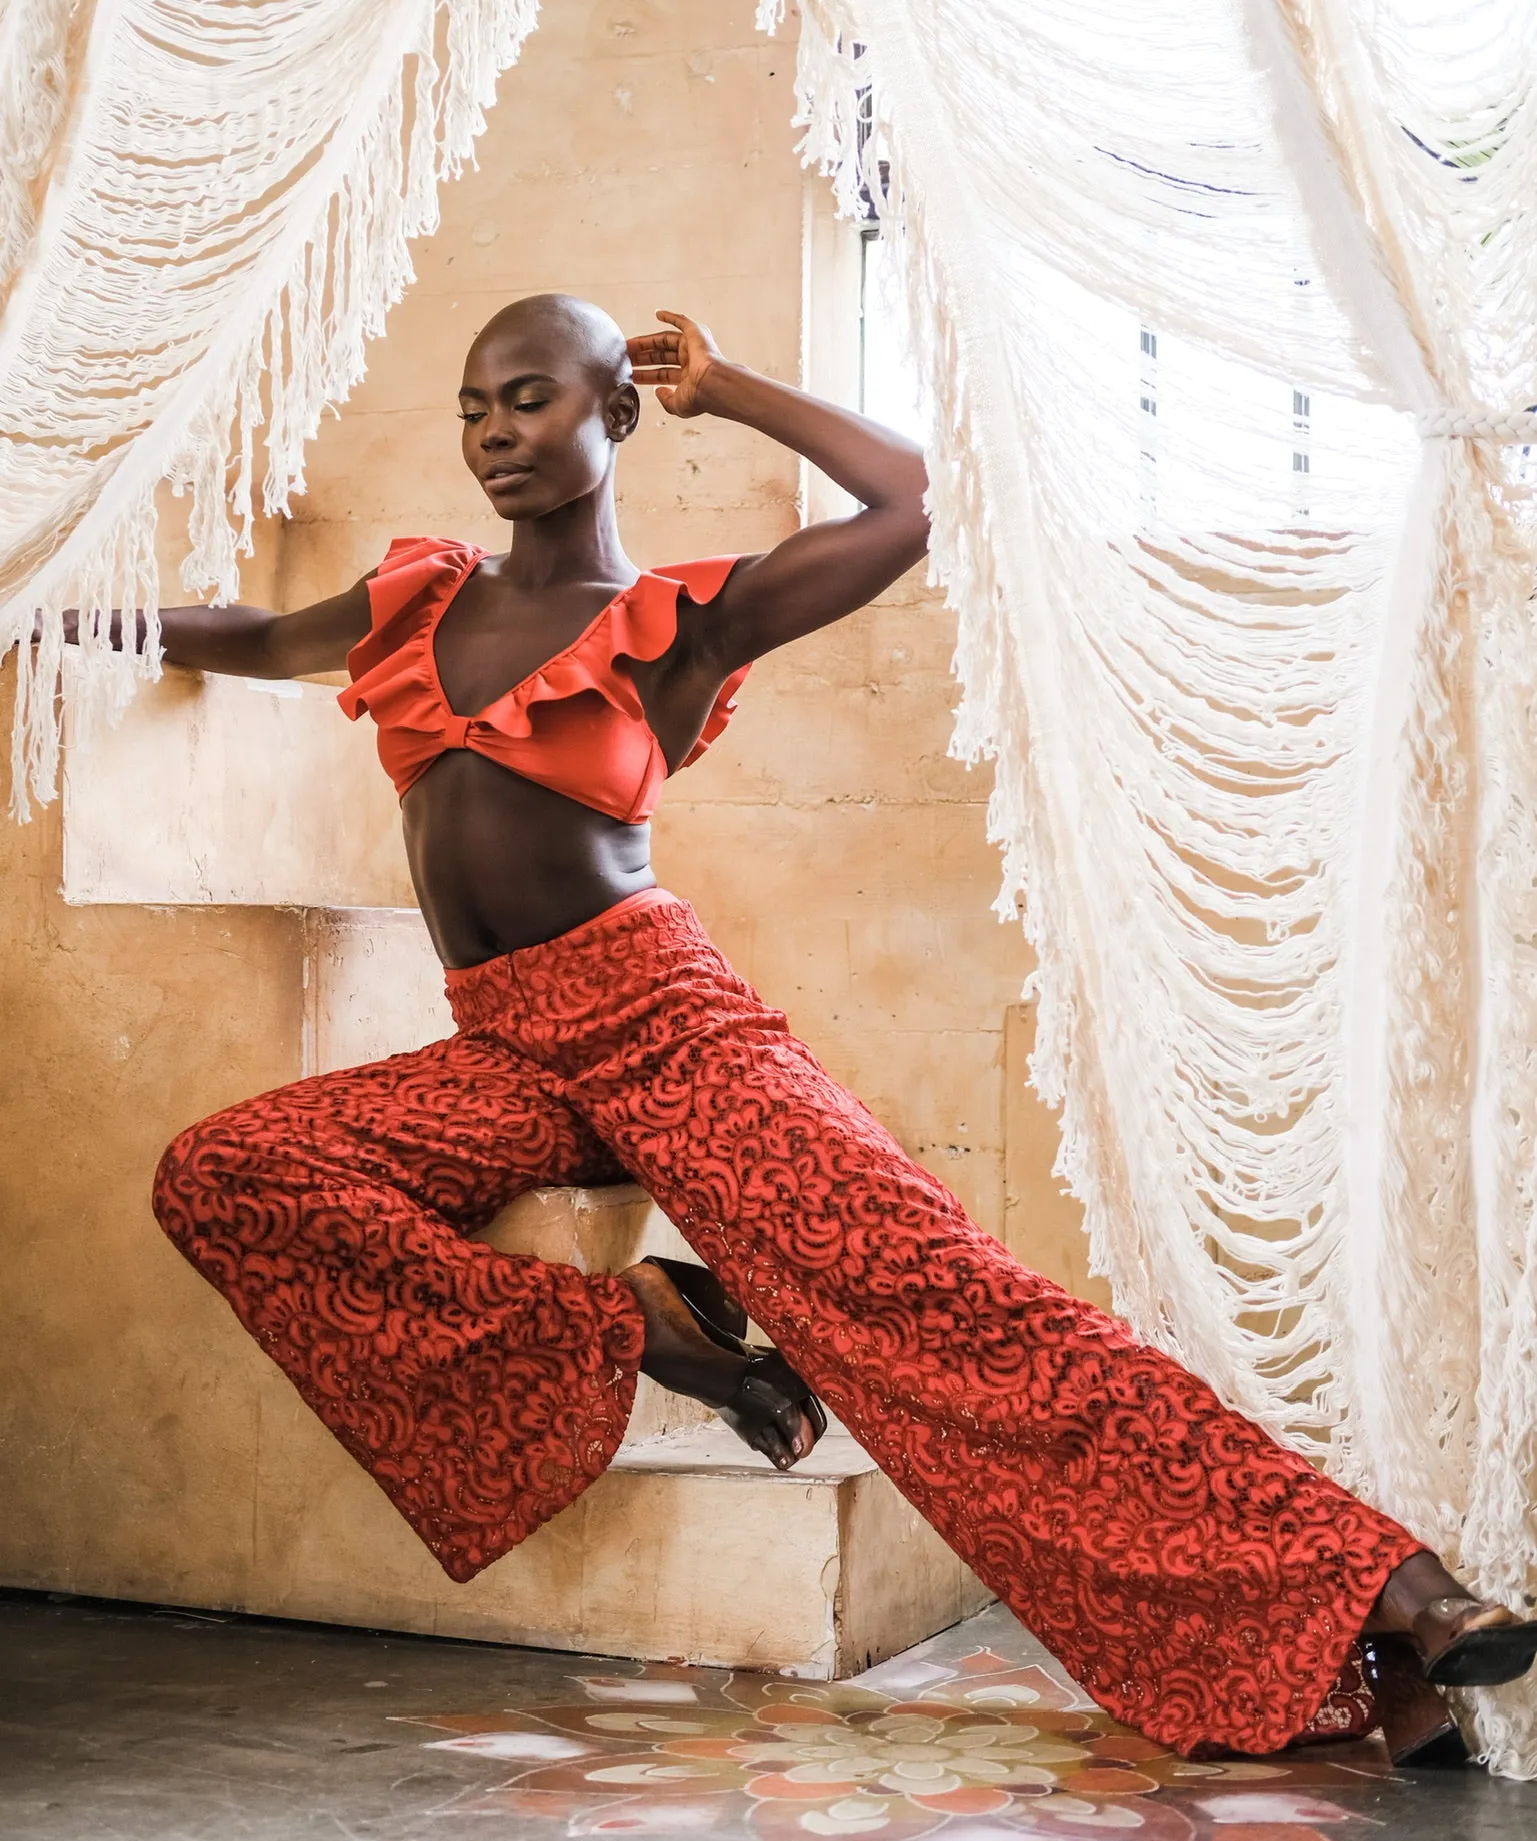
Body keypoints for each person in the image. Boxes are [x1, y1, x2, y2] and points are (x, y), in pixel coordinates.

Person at [83, 292, 1533, 1761]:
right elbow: (260, 635)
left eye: (529, 399)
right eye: (474, 408)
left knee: (956, 1308)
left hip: (665, 1030)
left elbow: (912, 504)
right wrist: (70, 609)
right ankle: (637, 1324)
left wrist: (737, 387)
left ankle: (1402, 1596)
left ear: (616, 414)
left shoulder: (679, 620)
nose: (494, 435)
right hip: (507, 1047)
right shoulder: (420, 597)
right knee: (229, 1173)